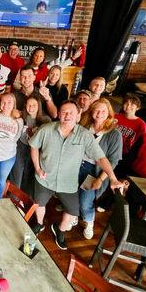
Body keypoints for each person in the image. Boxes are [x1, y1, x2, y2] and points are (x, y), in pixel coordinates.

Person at [29, 100, 124, 250]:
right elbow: (34, 146)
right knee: (39, 204)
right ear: (59, 114)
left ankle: (59, 230)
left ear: (78, 116)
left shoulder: (85, 135)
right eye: (64, 112)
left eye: (71, 113)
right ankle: (39, 223)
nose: (67, 116)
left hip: (68, 182)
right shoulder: (46, 129)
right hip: (45, 178)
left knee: (73, 212)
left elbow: (101, 158)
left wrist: (112, 178)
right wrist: (37, 167)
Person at [78, 98, 122, 239]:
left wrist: (100, 179)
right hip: (76, 166)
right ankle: (72, 216)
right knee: (72, 195)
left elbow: (113, 160)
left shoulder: (115, 134)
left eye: (104, 111)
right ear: (91, 112)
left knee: (85, 202)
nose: (100, 113)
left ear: (109, 113)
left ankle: (89, 222)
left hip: (93, 172)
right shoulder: (84, 126)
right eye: (97, 110)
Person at [10, 96, 51, 198]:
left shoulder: (45, 120)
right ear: (25, 106)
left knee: (29, 176)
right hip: (20, 147)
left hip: (35, 150)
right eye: (28, 105)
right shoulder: (21, 116)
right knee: (17, 174)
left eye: (34, 105)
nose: (31, 107)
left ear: (39, 106)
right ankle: (12, 200)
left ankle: (24, 200)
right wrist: (13, 113)